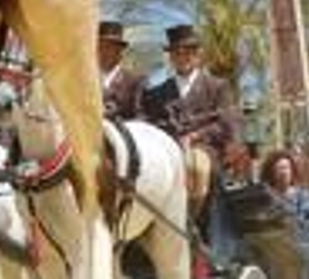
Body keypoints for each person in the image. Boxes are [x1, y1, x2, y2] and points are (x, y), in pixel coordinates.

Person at [158, 24, 239, 214]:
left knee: (196, 164)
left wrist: (195, 136)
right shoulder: (157, 93)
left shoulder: (218, 87)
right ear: (171, 57)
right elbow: (152, 123)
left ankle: (194, 221)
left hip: (207, 151)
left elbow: (226, 123)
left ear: (197, 54)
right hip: (169, 150)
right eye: (177, 52)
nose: (182, 56)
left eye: (188, 51)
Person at [97, 19, 141, 120]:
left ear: (120, 51)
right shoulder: (84, 82)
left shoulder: (135, 81)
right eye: (101, 46)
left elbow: (140, 117)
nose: (104, 52)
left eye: (109, 47)